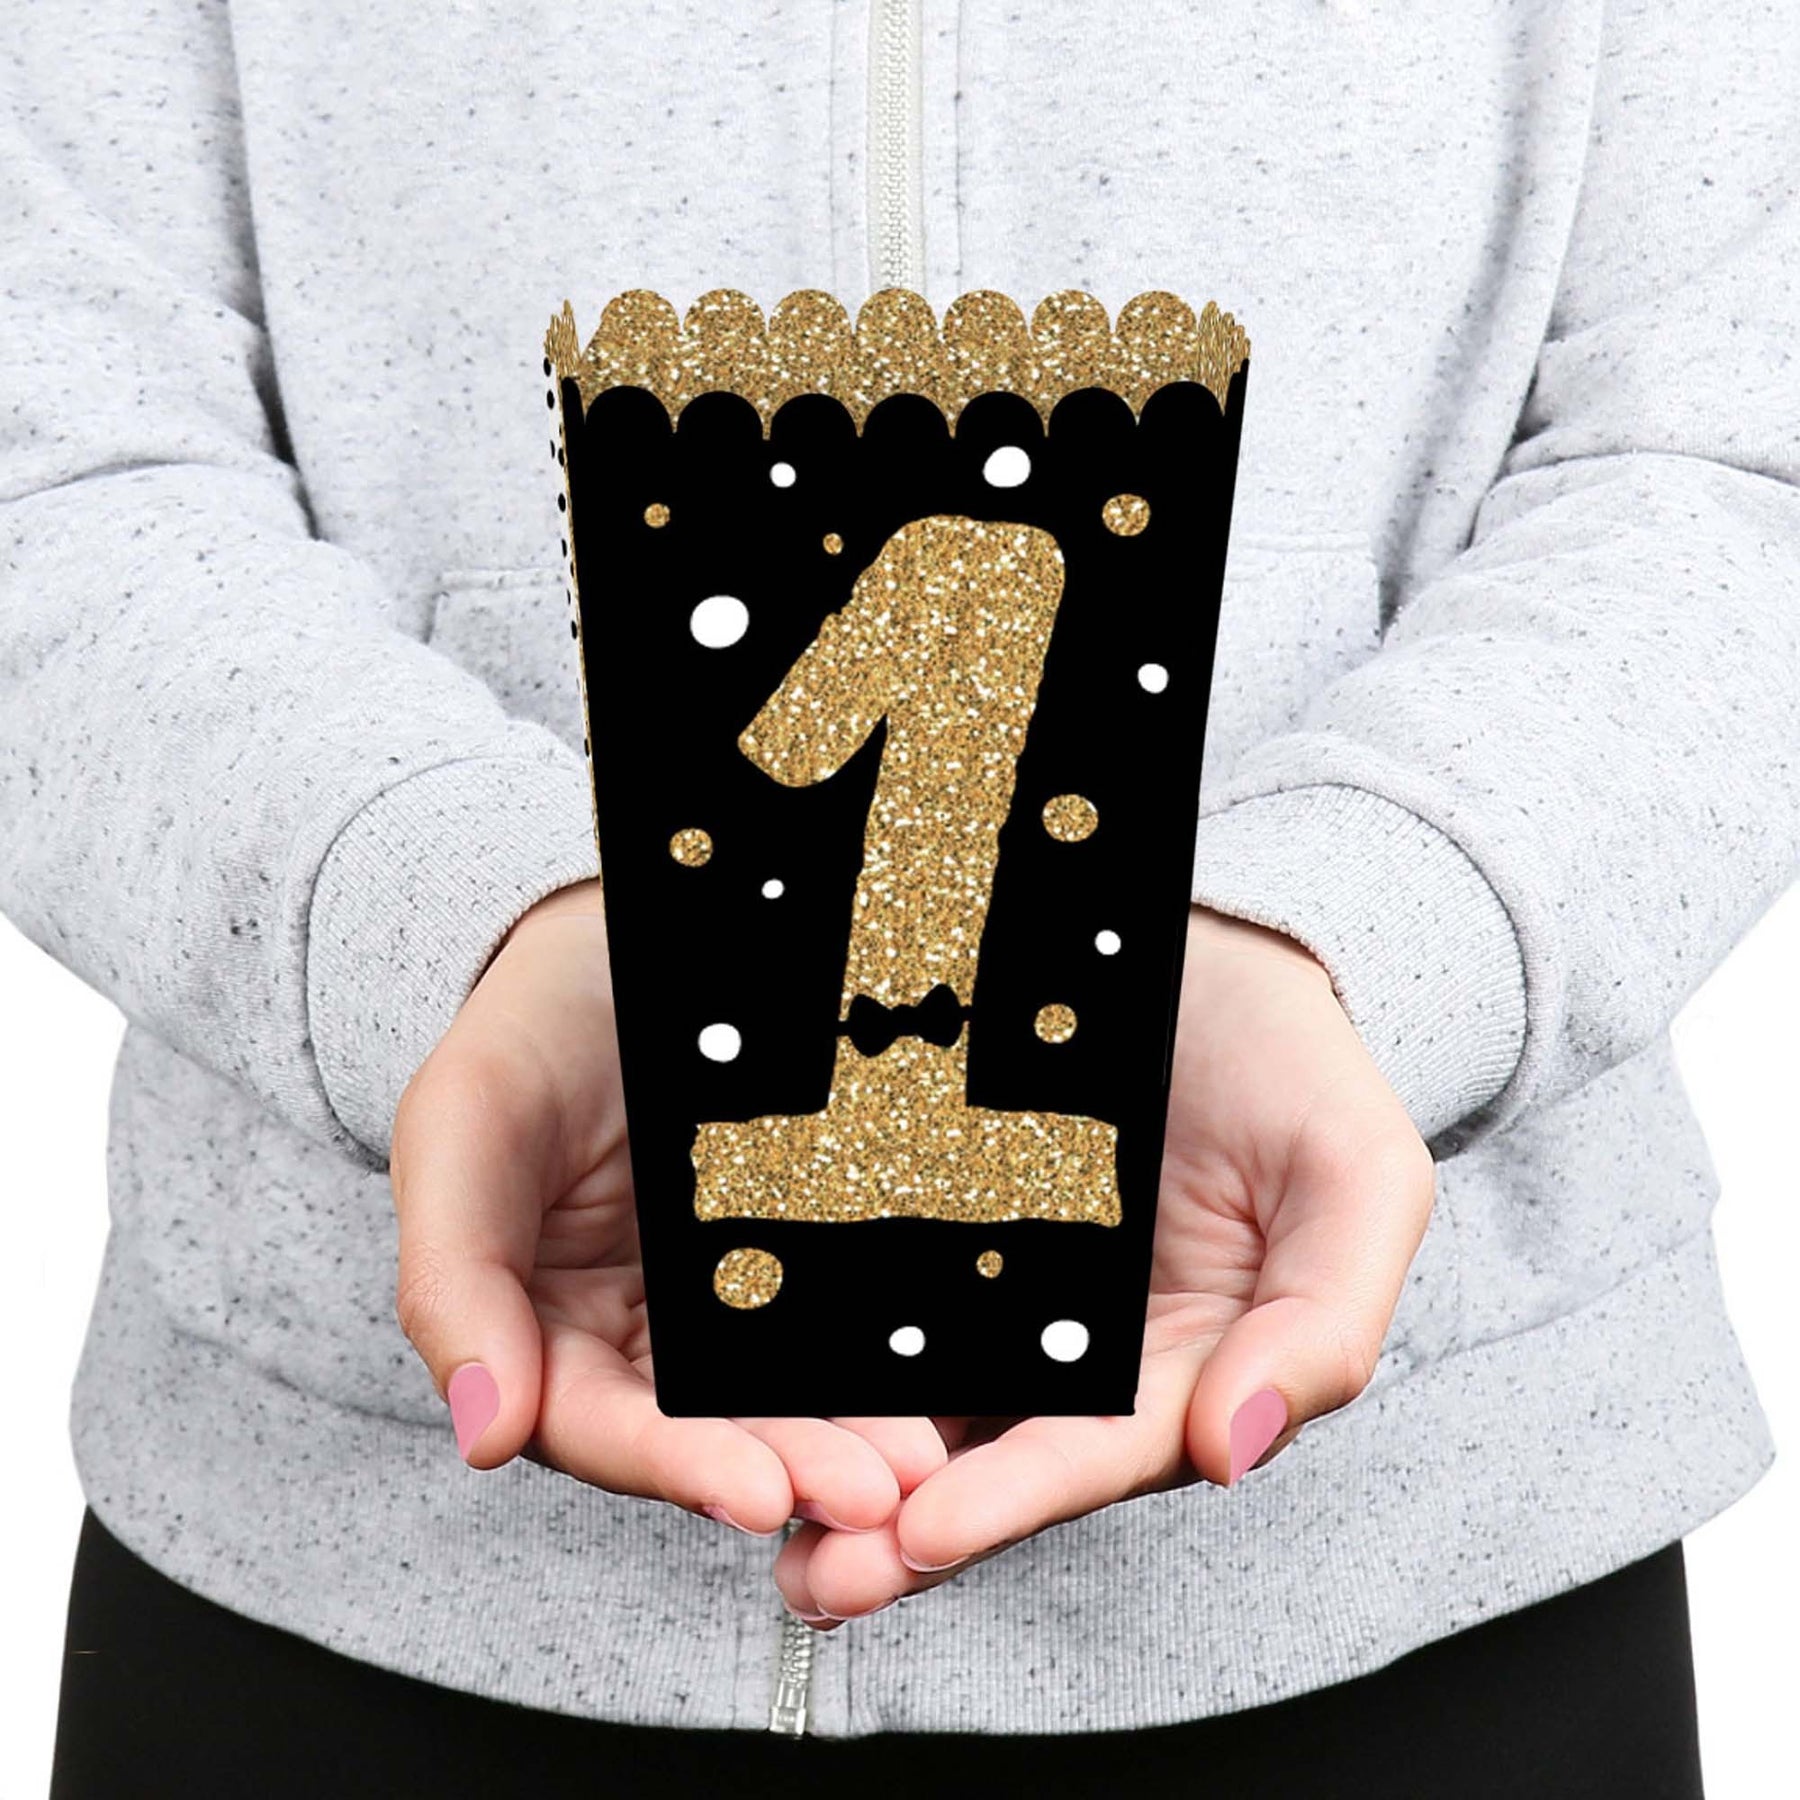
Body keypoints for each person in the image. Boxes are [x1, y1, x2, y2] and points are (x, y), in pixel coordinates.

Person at [5, 0, 1794, 1793]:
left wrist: (1358, 929)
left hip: (1435, 1558)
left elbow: (1738, 443)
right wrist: (453, 916)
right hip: (340, 1575)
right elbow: (53, 451)